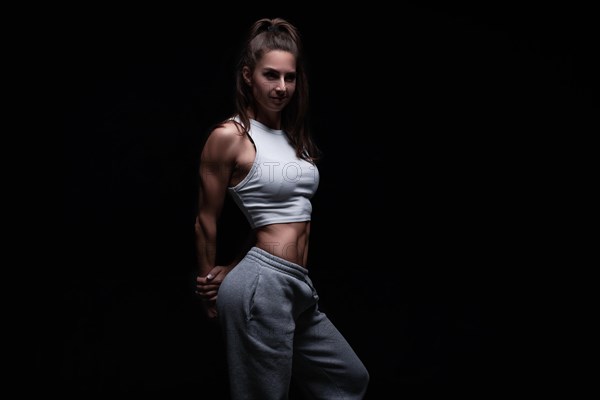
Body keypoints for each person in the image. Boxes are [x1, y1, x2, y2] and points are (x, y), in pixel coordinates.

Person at [194, 17, 369, 399]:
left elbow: (274, 219)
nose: (281, 87)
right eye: (270, 75)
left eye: (289, 77)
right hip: (264, 287)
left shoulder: (293, 139)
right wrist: (209, 285)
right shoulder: (229, 137)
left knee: (348, 379)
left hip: (296, 285)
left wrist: (236, 265)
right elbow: (206, 219)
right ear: (247, 75)